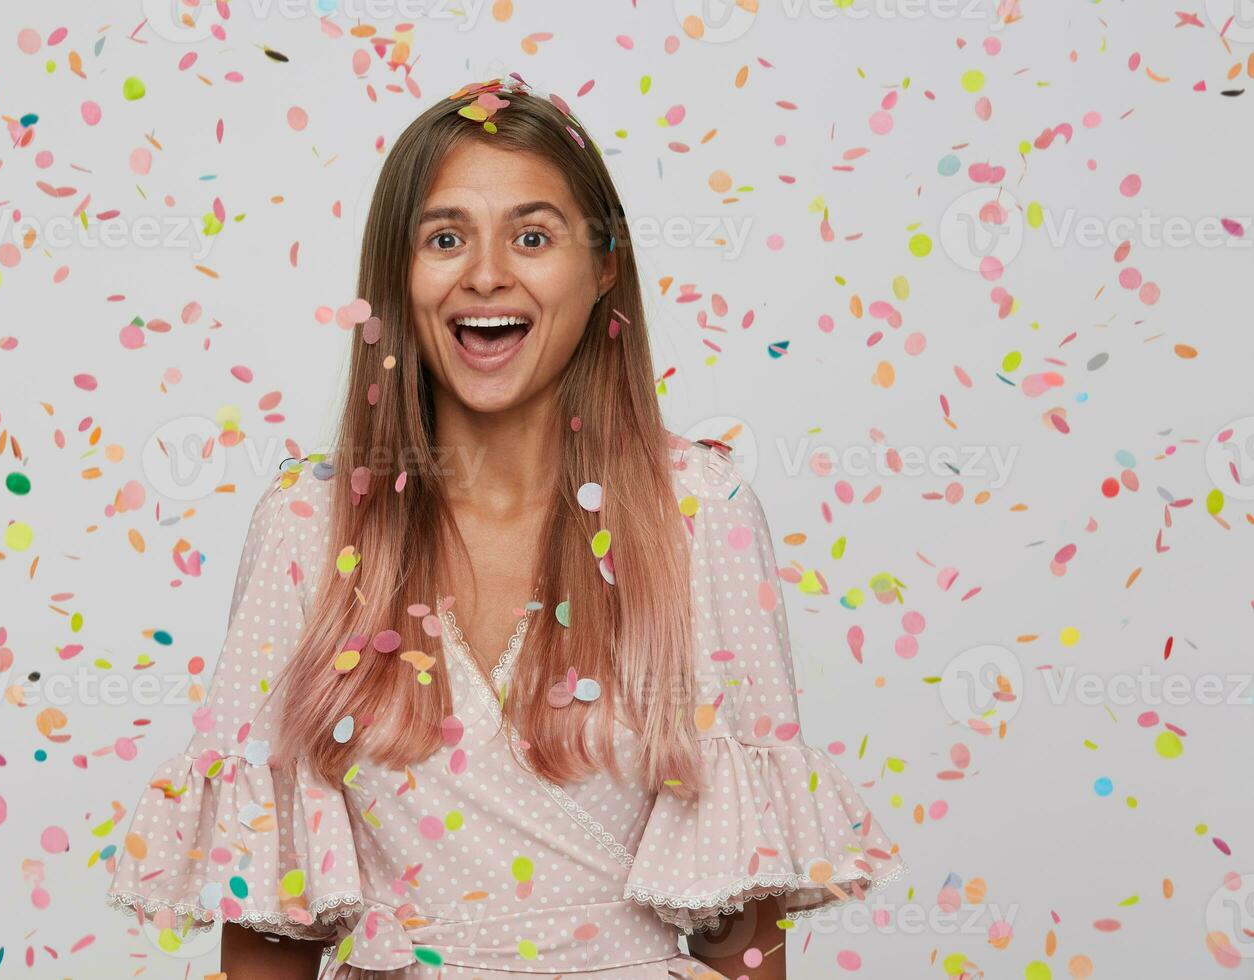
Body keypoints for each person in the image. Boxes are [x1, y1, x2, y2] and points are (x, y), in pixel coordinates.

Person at [106, 75, 906, 979]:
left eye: (533, 236)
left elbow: (743, 934)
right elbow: (268, 927)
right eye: (445, 238)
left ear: (605, 266)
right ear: (395, 277)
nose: (486, 273)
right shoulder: (307, 523)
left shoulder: (697, 513)